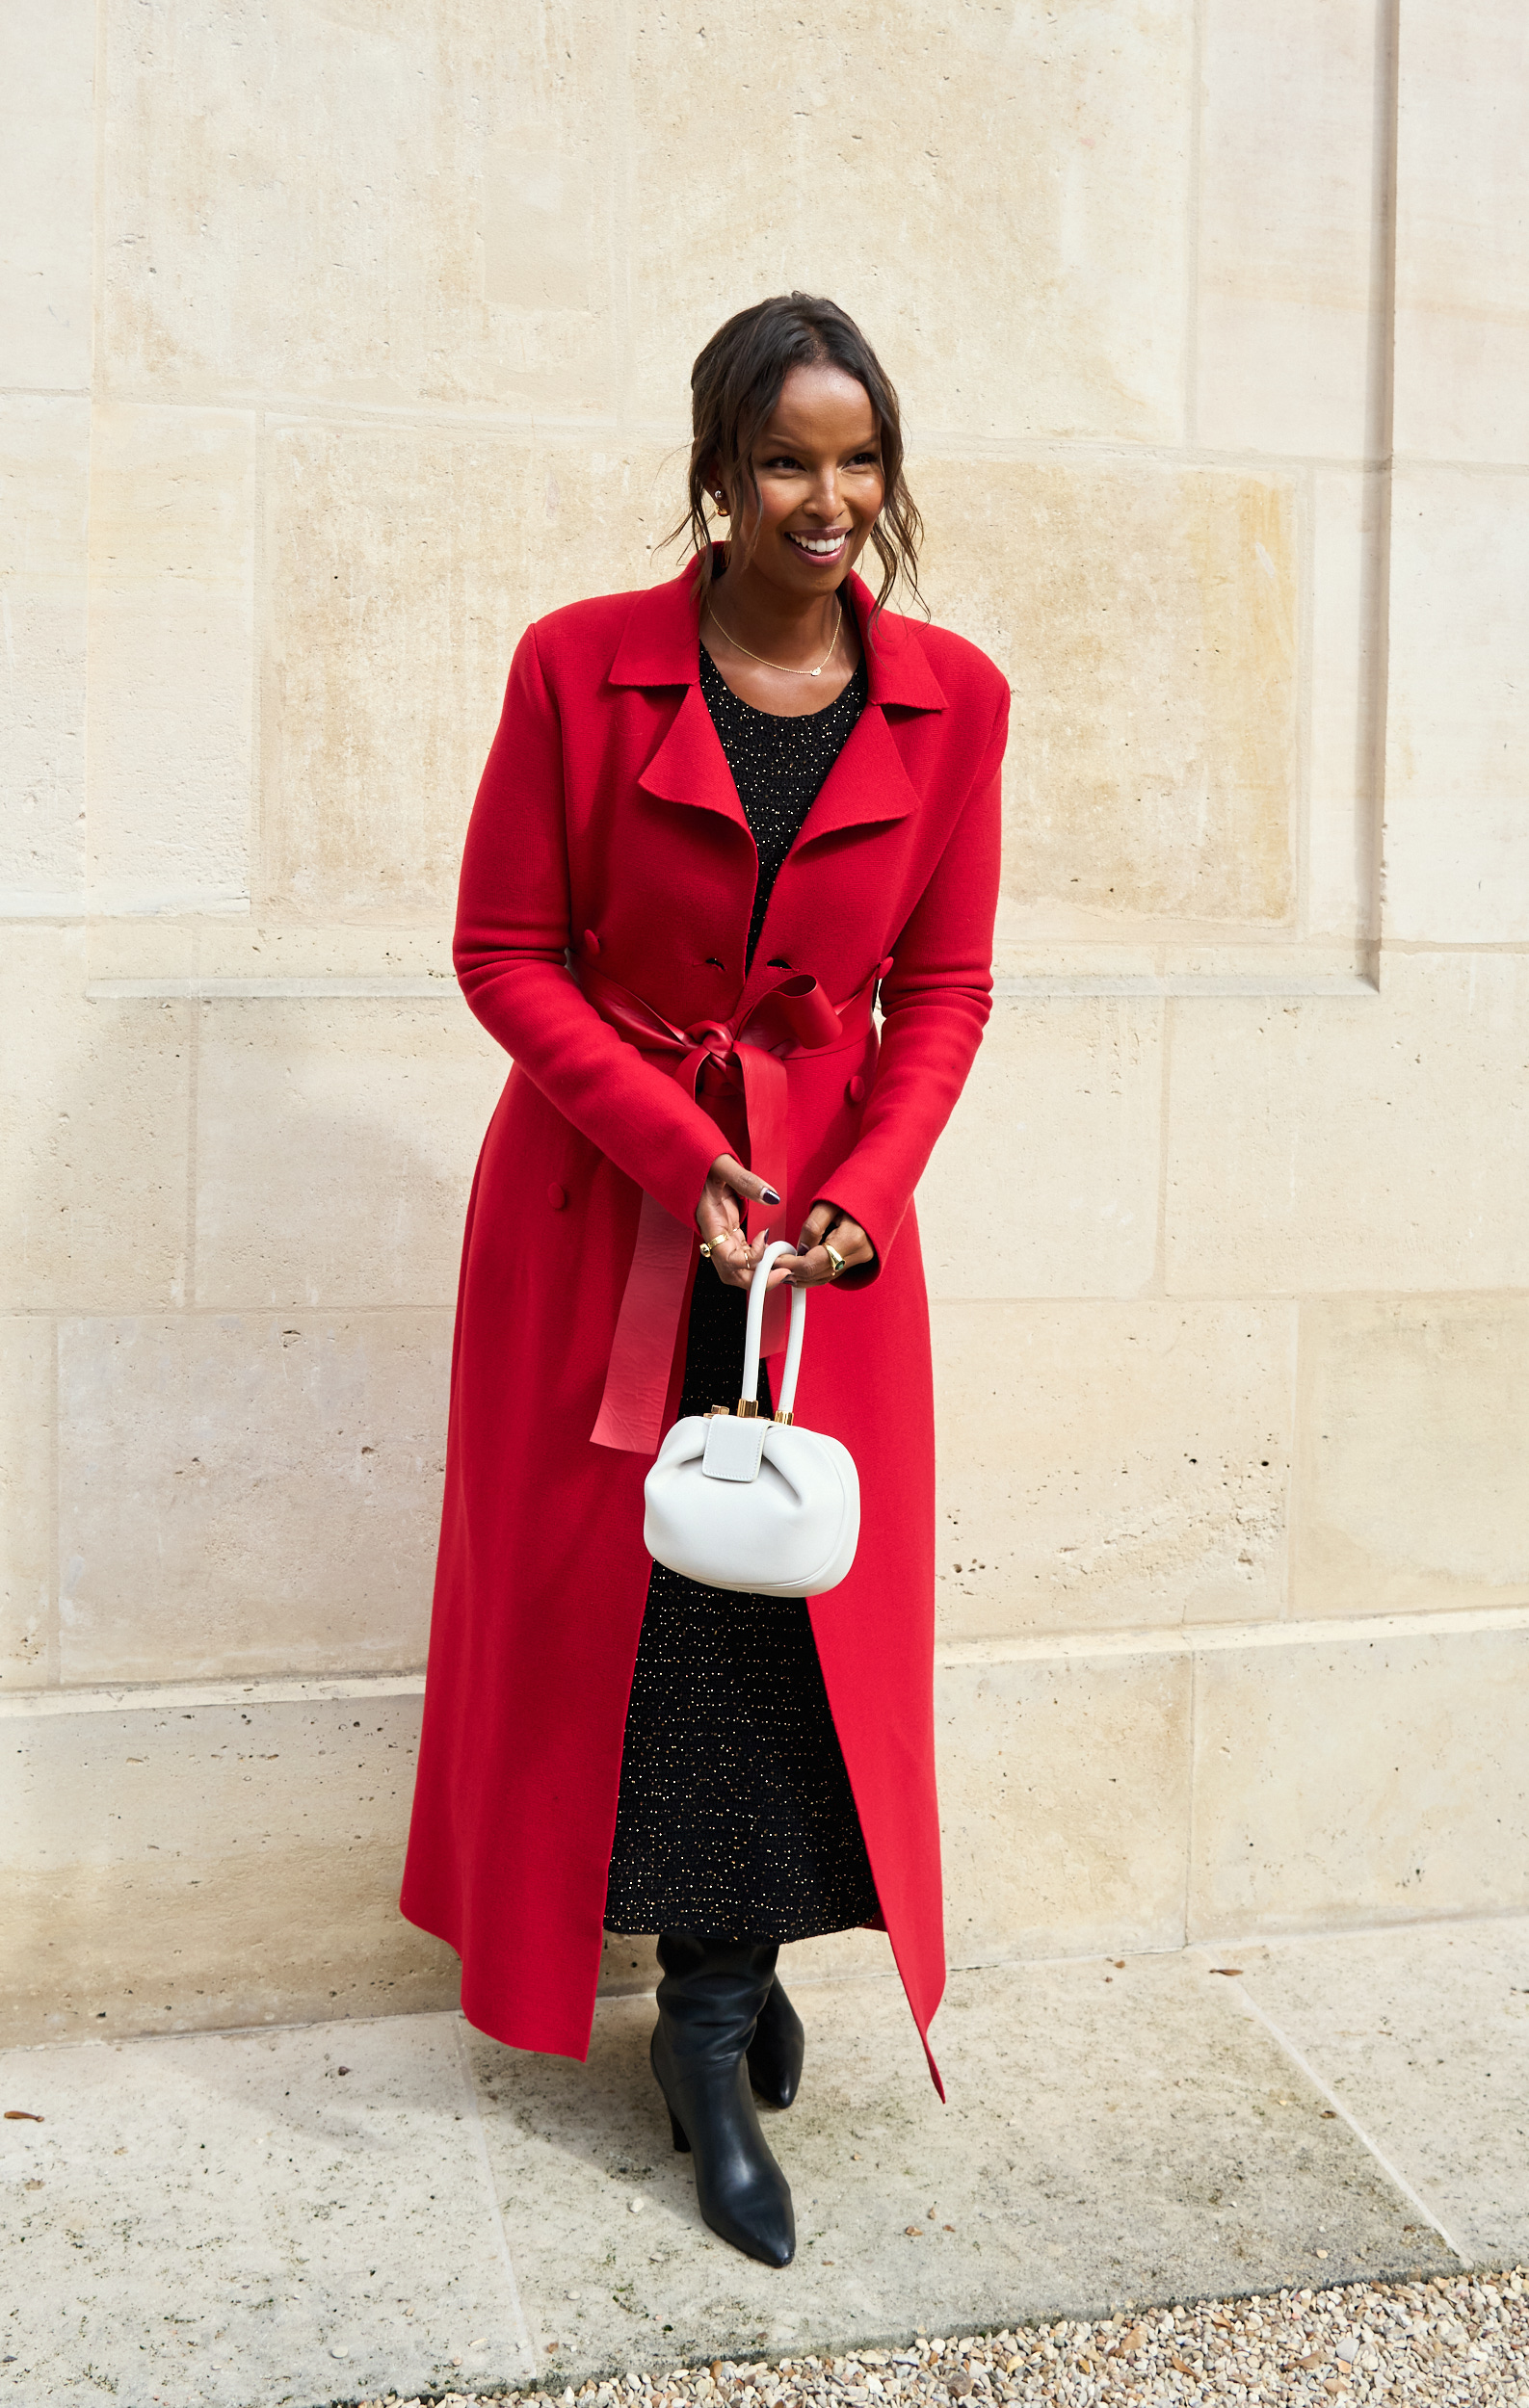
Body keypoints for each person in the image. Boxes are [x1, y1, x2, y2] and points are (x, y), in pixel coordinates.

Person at [402, 292, 1009, 2268]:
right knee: (636, 1615)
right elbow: (506, 949)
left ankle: (725, 1990)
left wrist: (865, 1187)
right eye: (787, 460)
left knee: (787, 1610)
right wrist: (689, 1156)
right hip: (605, 1219)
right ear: (716, 473)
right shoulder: (579, 668)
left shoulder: (955, 698)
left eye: (859, 459)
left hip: (833, 1236)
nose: (830, 498)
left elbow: (947, 988)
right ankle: (705, 2021)